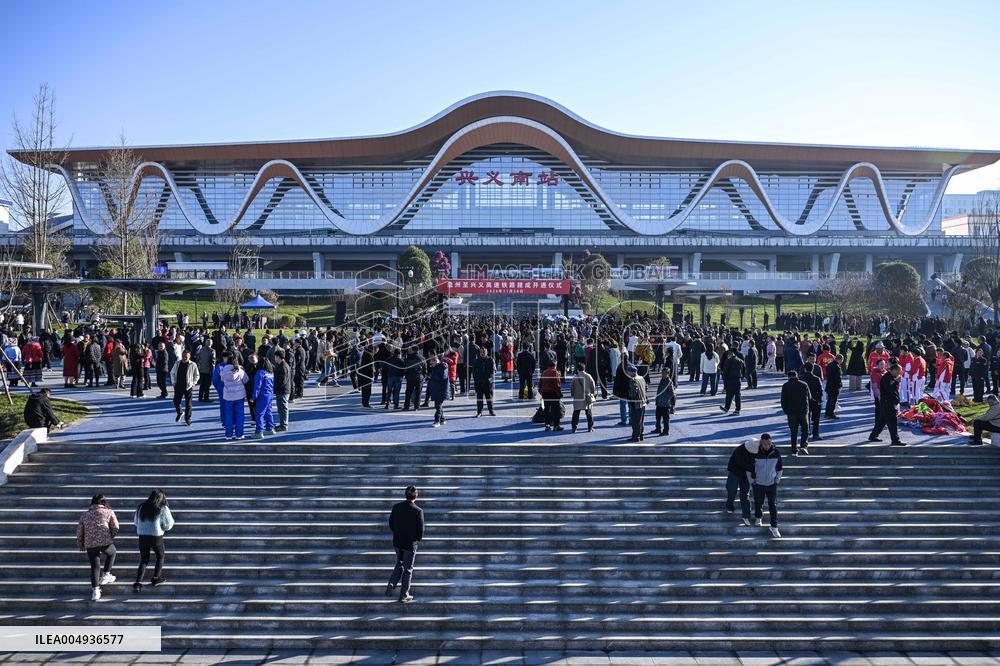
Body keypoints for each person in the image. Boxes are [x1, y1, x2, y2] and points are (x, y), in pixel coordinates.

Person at [77, 494, 119, 601]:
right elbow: (116, 527)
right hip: (105, 541)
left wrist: (81, 544)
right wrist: (111, 536)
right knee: (112, 552)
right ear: (103, 502)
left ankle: (95, 591)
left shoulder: (85, 514)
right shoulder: (109, 511)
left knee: (95, 566)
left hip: (90, 543)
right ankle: (106, 574)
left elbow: (79, 532)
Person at [386, 486, 423, 603]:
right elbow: (421, 529)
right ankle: (404, 595)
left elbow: (391, 524)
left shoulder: (396, 507)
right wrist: (417, 539)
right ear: (416, 496)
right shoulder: (418, 511)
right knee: (408, 569)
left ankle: (392, 582)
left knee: (399, 562)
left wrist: (397, 534)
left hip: (397, 542)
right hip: (410, 544)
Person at [132, 489, 174, 592]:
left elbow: (136, 522)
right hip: (156, 537)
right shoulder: (162, 508)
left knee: (144, 560)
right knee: (160, 556)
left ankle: (137, 583)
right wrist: (162, 528)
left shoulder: (141, 507)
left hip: (142, 536)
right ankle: (156, 578)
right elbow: (168, 524)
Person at [749, 433, 783, 538]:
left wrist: (776, 480)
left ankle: (774, 527)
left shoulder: (776, 453)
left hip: (771, 484)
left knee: (773, 505)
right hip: (758, 483)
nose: (767, 446)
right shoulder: (755, 452)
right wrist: (752, 481)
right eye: (764, 444)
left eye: (769, 443)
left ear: (771, 442)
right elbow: (750, 468)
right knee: (758, 501)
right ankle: (758, 517)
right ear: (761, 443)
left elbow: (780, 468)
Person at [869, 363, 905, 446]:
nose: (899, 374)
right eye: (898, 372)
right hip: (888, 402)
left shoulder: (891, 377)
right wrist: (896, 382)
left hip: (888, 402)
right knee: (892, 422)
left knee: (882, 421)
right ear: (894, 370)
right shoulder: (886, 377)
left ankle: (873, 435)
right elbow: (889, 389)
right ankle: (895, 440)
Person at [726, 437, 759, 526]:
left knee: (745, 495)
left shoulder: (757, 450)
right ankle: (729, 504)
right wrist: (753, 471)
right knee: (731, 490)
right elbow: (744, 464)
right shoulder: (739, 450)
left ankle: (746, 516)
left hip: (746, 475)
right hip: (735, 472)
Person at [780, 371, 811, 455]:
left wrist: (786, 411)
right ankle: (803, 446)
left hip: (791, 412)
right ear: (796, 376)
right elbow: (809, 397)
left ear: (788, 377)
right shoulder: (804, 384)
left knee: (793, 432)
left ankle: (794, 450)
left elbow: (783, 400)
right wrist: (807, 410)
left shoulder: (786, 385)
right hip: (803, 411)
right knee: (805, 430)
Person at [220, 357, 249, 440]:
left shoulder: (223, 371)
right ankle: (239, 435)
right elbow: (246, 380)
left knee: (228, 416)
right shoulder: (240, 371)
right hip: (239, 396)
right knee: (240, 416)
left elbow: (222, 380)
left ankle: (228, 435)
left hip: (228, 396)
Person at [169, 349, 199, 426]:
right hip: (178, 385)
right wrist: (173, 382)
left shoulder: (193, 365)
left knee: (188, 404)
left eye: (186, 356)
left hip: (188, 387)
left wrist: (193, 383)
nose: (184, 358)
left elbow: (197, 375)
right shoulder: (177, 363)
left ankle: (187, 419)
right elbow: (172, 373)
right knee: (176, 401)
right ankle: (180, 412)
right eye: (183, 356)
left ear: (189, 357)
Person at [250, 359, 275, 438]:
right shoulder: (270, 373)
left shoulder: (260, 373)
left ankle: (259, 432)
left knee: (259, 414)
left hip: (262, 395)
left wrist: (253, 397)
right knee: (268, 412)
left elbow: (257, 386)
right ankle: (269, 429)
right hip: (270, 394)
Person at [570, 362, 596, 433]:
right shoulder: (588, 376)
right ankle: (590, 427)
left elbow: (572, 388)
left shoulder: (575, 377)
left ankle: (574, 427)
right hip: (587, 396)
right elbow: (593, 386)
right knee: (588, 413)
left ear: (577, 369)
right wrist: (592, 393)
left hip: (578, 397)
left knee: (576, 412)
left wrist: (572, 394)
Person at [800, 362, 823, 441]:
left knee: (806, 418)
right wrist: (819, 400)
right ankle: (815, 434)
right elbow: (820, 390)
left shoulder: (801, 378)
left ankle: (806, 433)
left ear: (805, 369)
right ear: (813, 369)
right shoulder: (816, 379)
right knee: (816, 419)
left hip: (804, 401)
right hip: (815, 400)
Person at [625, 364, 647, 442]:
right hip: (643, 401)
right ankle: (641, 435)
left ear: (632, 372)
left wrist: (629, 396)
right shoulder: (641, 378)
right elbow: (646, 387)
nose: (627, 373)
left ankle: (635, 437)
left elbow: (633, 393)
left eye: (628, 372)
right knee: (641, 421)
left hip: (636, 403)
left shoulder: (633, 380)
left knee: (635, 421)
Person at [472, 345, 496, 417]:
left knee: (489, 398)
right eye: (481, 352)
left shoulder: (491, 360)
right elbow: (474, 372)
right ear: (479, 353)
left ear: (487, 352)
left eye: (484, 352)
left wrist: (491, 378)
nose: (482, 353)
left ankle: (491, 411)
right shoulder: (477, 361)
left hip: (488, 383)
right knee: (479, 398)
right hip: (479, 382)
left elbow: (493, 371)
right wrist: (476, 380)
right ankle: (479, 412)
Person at [539, 362, 564, 432]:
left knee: (547, 409)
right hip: (553, 393)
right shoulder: (555, 372)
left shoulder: (544, 372)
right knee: (555, 410)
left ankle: (547, 425)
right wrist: (559, 393)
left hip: (545, 393)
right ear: (554, 365)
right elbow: (557, 384)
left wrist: (541, 392)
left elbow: (540, 383)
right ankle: (556, 425)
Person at [719, 350, 745, 415]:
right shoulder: (740, 360)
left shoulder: (728, 361)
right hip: (738, 379)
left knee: (729, 395)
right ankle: (737, 409)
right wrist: (741, 377)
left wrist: (725, 379)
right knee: (737, 395)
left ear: (729, 355)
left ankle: (727, 408)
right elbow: (744, 369)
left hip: (730, 380)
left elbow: (725, 371)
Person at [652, 366, 675, 436]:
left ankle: (666, 431)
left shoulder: (669, 382)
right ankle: (658, 428)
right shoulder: (662, 380)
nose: (663, 374)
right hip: (659, 403)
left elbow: (672, 393)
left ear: (668, 374)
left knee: (665, 419)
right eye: (662, 373)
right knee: (657, 417)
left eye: (665, 373)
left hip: (665, 404)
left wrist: (665, 399)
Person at [426, 355, 449, 427]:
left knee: (437, 405)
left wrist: (432, 377)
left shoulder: (443, 367)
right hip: (437, 389)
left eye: (432, 363)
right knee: (439, 405)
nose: (431, 365)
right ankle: (442, 419)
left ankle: (437, 421)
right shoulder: (436, 367)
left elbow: (442, 377)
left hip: (441, 389)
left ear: (436, 361)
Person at [273, 349, 292, 430]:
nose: (275, 359)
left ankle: (283, 425)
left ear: (278, 357)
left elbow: (282, 381)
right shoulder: (284, 365)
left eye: (275, 357)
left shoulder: (282, 366)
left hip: (282, 391)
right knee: (282, 408)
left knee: (282, 408)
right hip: (284, 390)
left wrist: (275, 388)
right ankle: (282, 424)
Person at [825, 354, 844, 419]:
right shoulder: (837, 367)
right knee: (833, 400)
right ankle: (831, 413)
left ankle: (827, 413)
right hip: (834, 386)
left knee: (829, 400)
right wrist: (840, 384)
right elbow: (837, 377)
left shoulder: (829, 365)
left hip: (829, 385)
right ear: (840, 359)